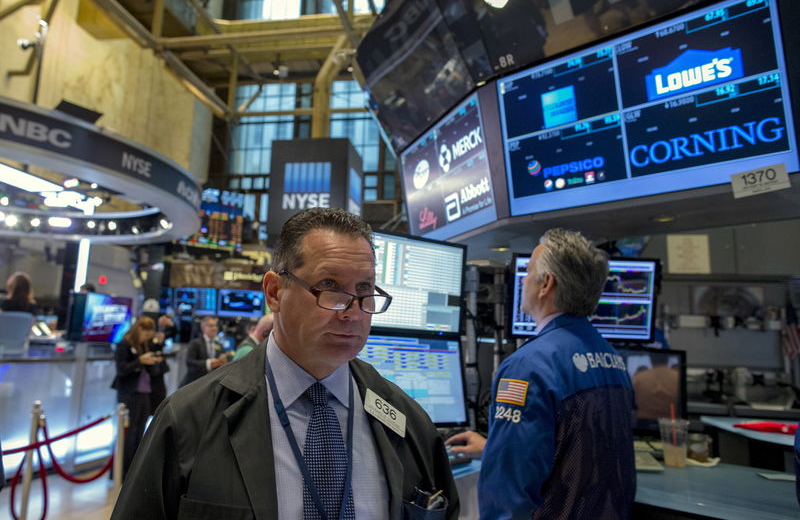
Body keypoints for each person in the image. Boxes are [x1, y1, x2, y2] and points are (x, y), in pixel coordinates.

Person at [111, 208, 458, 519]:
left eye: (365, 289)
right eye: (329, 286)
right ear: (275, 292)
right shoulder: (189, 420)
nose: (353, 312)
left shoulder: (408, 421)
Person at [447, 228, 635, 519]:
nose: (522, 279)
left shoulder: (528, 367)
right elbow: (575, 454)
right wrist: (494, 448)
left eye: (529, 270)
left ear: (546, 283)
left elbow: (508, 492)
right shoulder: (612, 358)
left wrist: (503, 457)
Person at [110, 316, 164, 478]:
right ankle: (121, 471)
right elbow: (122, 370)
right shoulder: (124, 345)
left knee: (140, 431)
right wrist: (140, 361)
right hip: (129, 393)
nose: (146, 338)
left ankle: (133, 471)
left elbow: (152, 372)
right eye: (145, 334)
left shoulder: (143, 345)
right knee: (128, 432)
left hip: (144, 393)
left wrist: (153, 362)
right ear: (139, 330)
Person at [179, 316, 227, 387]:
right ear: (203, 328)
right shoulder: (195, 343)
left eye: (215, 326)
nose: (214, 328)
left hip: (210, 384)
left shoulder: (219, 345)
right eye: (211, 326)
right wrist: (208, 363)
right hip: (193, 383)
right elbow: (189, 362)